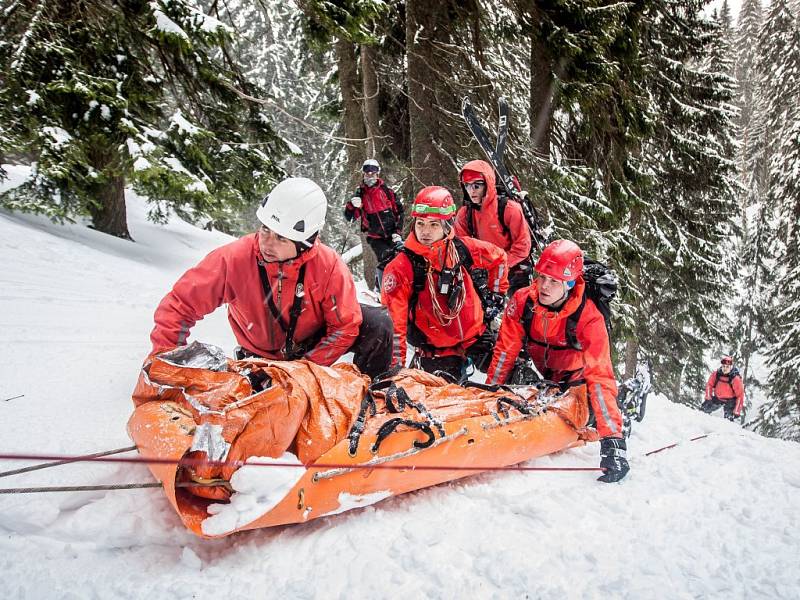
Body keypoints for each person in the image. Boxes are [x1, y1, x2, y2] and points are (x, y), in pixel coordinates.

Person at [148, 177, 393, 378]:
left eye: (281, 238)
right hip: (259, 357)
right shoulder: (235, 259)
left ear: (304, 244)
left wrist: (305, 368)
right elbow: (180, 305)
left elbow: (345, 325)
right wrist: (165, 362)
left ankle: (370, 398)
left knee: (377, 323)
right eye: (265, 229)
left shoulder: (328, 266)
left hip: (308, 350)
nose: (267, 242)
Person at [485, 239, 628, 483]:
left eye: (554, 281)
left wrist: (613, 441)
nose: (544, 287)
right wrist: (488, 394)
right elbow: (504, 353)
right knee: (516, 386)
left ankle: (621, 409)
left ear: (570, 284)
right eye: (541, 277)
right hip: (544, 375)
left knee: (583, 412)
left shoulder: (589, 317)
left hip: (578, 380)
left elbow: (600, 375)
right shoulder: (522, 302)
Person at [381, 186, 508, 382]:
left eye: (434, 225)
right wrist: (394, 372)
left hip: (476, 337)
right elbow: (394, 327)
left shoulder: (462, 249)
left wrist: (496, 295)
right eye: (421, 223)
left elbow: (499, 258)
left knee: (517, 378)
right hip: (437, 351)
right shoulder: (401, 268)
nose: (425, 231)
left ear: (447, 226)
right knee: (449, 404)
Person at [455, 159, 533, 293]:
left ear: (488, 184)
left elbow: (522, 247)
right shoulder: (465, 214)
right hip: (485, 272)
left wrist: (500, 266)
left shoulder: (509, 209)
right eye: (467, 186)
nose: (471, 191)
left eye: (476, 186)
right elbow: (461, 247)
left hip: (514, 269)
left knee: (519, 309)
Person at [344, 159, 405, 269]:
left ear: (378, 174)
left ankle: (384, 282)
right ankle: (382, 284)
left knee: (402, 259)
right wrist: (352, 205)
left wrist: (397, 232)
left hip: (393, 234)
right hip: (375, 237)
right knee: (387, 259)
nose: (370, 176)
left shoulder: (387, 191)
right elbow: (350, 217)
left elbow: (399, 212)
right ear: (364, 174)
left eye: (373, 173)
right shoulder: (361, 194)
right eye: (367, 173)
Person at [701, 355, 745, 422]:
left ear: (731, 367)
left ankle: (727, 431)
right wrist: (708, 397)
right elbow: (709, 385)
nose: (725, 368)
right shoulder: (716, 374)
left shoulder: (735, 379)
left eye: (727, 367)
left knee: (728, 420)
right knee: (703, 411)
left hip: (730, 401)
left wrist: (737, 411)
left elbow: (740, 395)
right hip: (718, 398)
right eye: (723, 366)